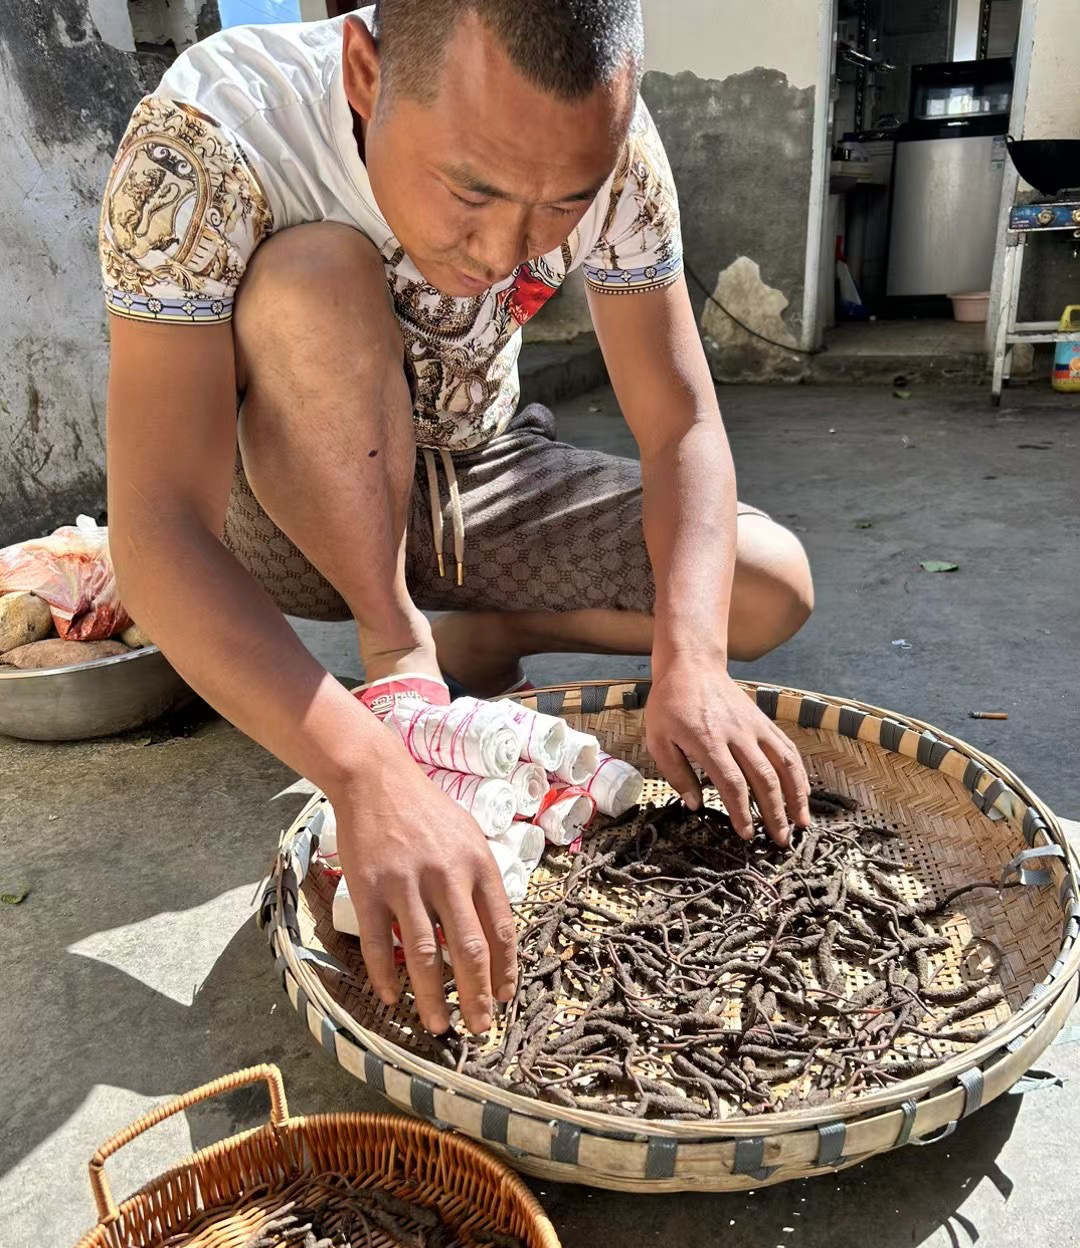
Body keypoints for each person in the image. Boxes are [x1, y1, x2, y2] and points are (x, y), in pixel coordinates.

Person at [101, 0, 814, 1038]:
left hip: (484, 469)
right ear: (364, 71)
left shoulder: (613, 146)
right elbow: (157, 530)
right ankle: (398, 661)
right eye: (471, 190)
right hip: (294, 519)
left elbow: (683, 426)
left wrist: (693, 661)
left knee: (763, 583)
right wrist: (364, 769)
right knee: (315, 279)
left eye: (558, 208)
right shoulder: (208, 141)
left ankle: (486, 630)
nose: (502, 251)